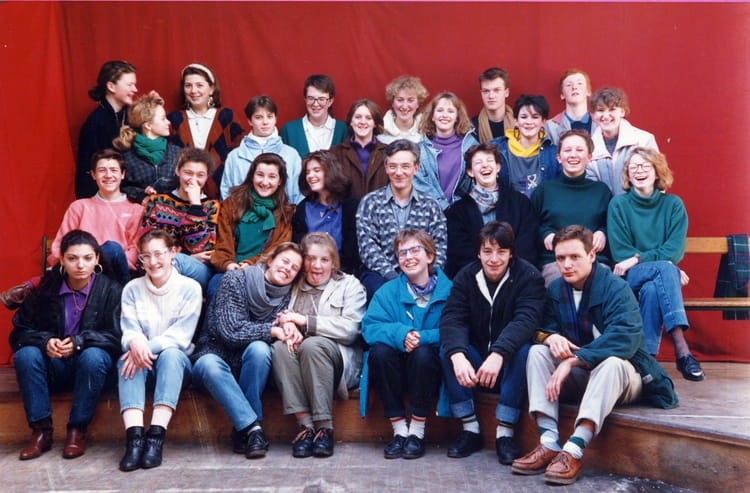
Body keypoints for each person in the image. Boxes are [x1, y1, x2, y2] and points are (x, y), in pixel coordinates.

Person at [511, 225, 677, 485]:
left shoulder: (615, 288)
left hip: (625, 377)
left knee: (611, 363)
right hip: (583, 377)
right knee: (537, 353)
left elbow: (626, 338)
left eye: (574, 257)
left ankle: (574, 450)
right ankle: (549, 442)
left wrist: (572, 361)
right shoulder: (556, 289)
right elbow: (541, 328)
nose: (567, 265)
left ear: (591, 256)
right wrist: (550, 337)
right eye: (560, 258)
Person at [10, 230, 122, 460]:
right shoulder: (46, 288)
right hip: (55, 366)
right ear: (61, 260)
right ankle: (41, 432)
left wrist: (79, 342)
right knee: (26, 355)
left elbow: (118, 337)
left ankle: (77, 431)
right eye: (72, 258)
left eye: (87, 258)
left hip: (92, 371)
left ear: (97, 259)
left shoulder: (112, 290)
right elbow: (19, 331)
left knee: (94, 356)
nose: (80, 265)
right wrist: (45, 342)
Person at [440, 221, 545, 464]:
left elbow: (526, 320)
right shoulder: (466, 276)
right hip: (476, 366)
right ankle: (470, 428)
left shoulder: (529, 276)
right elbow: (452, 318)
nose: (494, 259)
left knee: (525, 350)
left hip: (508, 366)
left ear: (511, 253)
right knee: (449, 349)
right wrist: (458, 356)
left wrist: (498, 354)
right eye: (487, 251)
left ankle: (505, 432)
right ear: (478, 253)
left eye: (501, 251)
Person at [192, 242, 304, 459]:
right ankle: (252, 427)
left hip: (251, 368)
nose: (287, 268)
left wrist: (288, 323)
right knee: (208, 364)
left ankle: (244, 432)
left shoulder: (288, 297)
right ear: (270, 260)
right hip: (215, 353)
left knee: (260, 350)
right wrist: (272, 330)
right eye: (285, 261)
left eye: (294, 268)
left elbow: (282, 328)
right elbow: (230, 330)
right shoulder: (235, 279)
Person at [608, 147, 703, 380]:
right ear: (627, 174)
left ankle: (646, 361)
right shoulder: (618, 205)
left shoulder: (673, 205)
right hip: (629, 276)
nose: (639, 171)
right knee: (666, 268)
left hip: (654, 276)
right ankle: (682, 349)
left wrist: (639, 258)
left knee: (652, 289)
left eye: (645, 165)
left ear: (657, 171)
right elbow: (621, 252)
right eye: (633, 167)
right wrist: (665, 266)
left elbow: (674, 250)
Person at [271, 233, 367, 458]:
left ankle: (324, 428)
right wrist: (287, 324)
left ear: (333, 263)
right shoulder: (293, 285)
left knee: (313, 345)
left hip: (337, 362)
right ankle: (305, 427)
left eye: (324, 260)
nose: (317, 266)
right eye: (311, 258)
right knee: (280, 348)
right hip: (299, 364)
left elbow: (352, 330)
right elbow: (278, 314)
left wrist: (305, 321)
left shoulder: (349, 285)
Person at [360, 230, 452, 459]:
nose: (408, 257)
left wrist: (422, 337)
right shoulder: (387, 291)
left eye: (415, 250)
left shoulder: (450, 291)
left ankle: (416, 432)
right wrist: (401, 334)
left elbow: (457, 329)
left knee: (423, 353)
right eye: (402, 253)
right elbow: (369, 327)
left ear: (430, 256)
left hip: (429, 371)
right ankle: (400, 430)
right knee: (379, 353)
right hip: (395, 370)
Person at [117, 230, 202, 471]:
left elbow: (181, 337)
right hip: (143, 363)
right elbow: (129, 330)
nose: (153, 262)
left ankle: (155, 437)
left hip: (177, 365)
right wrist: (135, 343)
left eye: (159, 254)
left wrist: (143, 346)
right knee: (126, 358)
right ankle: (134, 439)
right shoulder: (132, 289)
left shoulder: (190, 288)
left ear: (173, 253)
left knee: (171, 355)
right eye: (146, 256)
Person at [356, 139, 447, 298]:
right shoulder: (370, 203)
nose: (399, 172)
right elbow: (367, 247)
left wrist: (427, 275)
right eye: (393, 166)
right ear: (386, 167)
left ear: (416, 168)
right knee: (378, 289)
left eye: (405, 166)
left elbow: (439, 246)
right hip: (382, 275)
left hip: (422, 272)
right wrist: (393, 277)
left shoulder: (430, 205)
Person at [530, 130, 612, 286]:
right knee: (558, 288)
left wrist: (603, 233)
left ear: (589, 157)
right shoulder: (544, 190)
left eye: (579, 150)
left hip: (594, 260)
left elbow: (613, 226)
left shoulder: (601, 191)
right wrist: (545, 234)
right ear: (559, 158)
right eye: (567, 150)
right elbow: (531, 226)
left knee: (602, 288)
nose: (573, 155)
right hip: (556, 262)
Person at [50, 149, 143, 286]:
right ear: (93, 175)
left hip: (116, 274)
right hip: (81, 271)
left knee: (112, 249)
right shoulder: (79, 207)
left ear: (122, 174)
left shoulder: (136, 210)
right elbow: (60, 244)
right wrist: (84, 263)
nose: (108, 175)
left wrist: (101, 261)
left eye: (114, 170)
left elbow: (135, 250)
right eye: (102, 170)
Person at [445, 142, 539, 276]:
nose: (485, 165)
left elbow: (527, 244)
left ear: (498, 167)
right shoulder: (457, 212)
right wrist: (488, 272)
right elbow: (460, 252)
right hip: (474, 278)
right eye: (478, 163)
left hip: (517, 276)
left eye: (489, 161)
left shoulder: (520, 203)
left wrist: (508, 272)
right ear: (470, 172)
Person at [209, 153, 295, 298]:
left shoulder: (285, 214)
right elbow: (222, 242)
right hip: (229, 269)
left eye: (272, 177)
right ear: (252, 176)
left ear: (280, 181)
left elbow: (277, 250)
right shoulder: (232, 204)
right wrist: (228, 264)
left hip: (261, 272)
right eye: (260, 175)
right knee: (216, 287)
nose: (265, 182)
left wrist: (250, 264)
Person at [139, 147, 220, 290]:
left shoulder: (211, 206)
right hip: (159, 264)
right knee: (172, 260)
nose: (193, 180)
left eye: (200, 175)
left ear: (207, 177)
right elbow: (148, 242)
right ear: (178, 171)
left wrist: (196, 206)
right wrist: (188, 256)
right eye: (188, 173)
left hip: (198, 270)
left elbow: (202, 249)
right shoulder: (157, 202)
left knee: (177, 260)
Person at [167, 63, 245, 199]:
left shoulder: (227, 117)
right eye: (188, 85)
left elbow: (239, 159)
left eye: (199, 85)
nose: (193, 90)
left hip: (221, 196)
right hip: (182, 196)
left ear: (211, 89)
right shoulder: (175, 119)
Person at [220, 95, 302, 203]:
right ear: (250, 121)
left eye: (269, 116)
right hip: (242, 213)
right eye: (258, 117)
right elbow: (226, 196)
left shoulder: (291, 155)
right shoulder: (235, 157)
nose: (265, 122)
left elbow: (299, 196)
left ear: (275, 119)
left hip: (283, 213)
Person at [292, 151, 360, 274]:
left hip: (345, 273)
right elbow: (299, 248)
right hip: (311, 272)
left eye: (316, 170)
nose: (310, 176)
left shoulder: (351, 207)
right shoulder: (302, 209)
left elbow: (354, 252)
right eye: (307, 172)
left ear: (331, 171)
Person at [77, 60, 137, 198]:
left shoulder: (133, 116)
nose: (135, 89)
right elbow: (87, 169)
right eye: (130, 85)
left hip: (134, 195)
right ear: (111, 86)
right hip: (105, 196)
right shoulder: (95, 122)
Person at [586, 88, 658, 196]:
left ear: (622, 112)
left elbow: (658, 181)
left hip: (639, 206)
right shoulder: (588, 147)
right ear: (593, 115)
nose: (606, 116)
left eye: (612, 109)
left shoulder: (644, 140)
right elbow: (591, 189)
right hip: (605, 207)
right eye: (600, 110)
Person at [113, 94, 181, 205]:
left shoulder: (177, 153)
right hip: (140, 212)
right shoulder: (127, 157)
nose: (168, 122)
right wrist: (141, 194)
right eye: (163, 118)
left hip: (174, 212)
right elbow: (121, 187)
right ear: (148, 125)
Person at [416, 92, 479, 209]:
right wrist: (445, 208)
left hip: (461, 212)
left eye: (450, 111)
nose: (445, 115)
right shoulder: (419, 150)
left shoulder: (471, 146)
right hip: (429, 211)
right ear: (432, 116)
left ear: (457, 118)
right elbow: (419, 186)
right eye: (440, 110)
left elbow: (475, 184)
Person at [490, 95, 560, 198]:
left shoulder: (553, 153)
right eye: (524, 117)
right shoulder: (497, 149)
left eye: (535, 117)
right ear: (516, 121)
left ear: (543, 122)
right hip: (509, 207)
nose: (529, 122)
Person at [330, 98, 389, 199]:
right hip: (346, 209)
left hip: (379, 208)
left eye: (368, 118)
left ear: (375, 123)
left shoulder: (388, 152)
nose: (362, 122)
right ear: (351, 121)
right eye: (358, 117)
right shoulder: (335, 153)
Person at [280, 74, 347, 159]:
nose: (315, 104)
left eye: (321, 99)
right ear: (305, 99)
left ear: (330, 101)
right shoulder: (289, 130)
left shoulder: (343, 130)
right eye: (311, 98)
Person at [544, 69, 596, 146]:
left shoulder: (601, 123)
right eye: (568, 85)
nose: (574, 87)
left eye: (579, 83)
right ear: (562, 95)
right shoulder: (549, 127)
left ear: (588, 91)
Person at [378, 75, 429, 144]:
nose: (405, 106)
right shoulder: (380, 133)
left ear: (418, 103)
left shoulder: (426, 133)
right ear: (392, 102)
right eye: (400, 100)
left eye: (410, 100)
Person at [470, 67, 514, 143]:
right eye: (486, 91)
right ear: (481, 93)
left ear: (506, 92)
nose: (491, 96)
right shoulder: (471, 128)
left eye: (496, 90)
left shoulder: (520, 124)